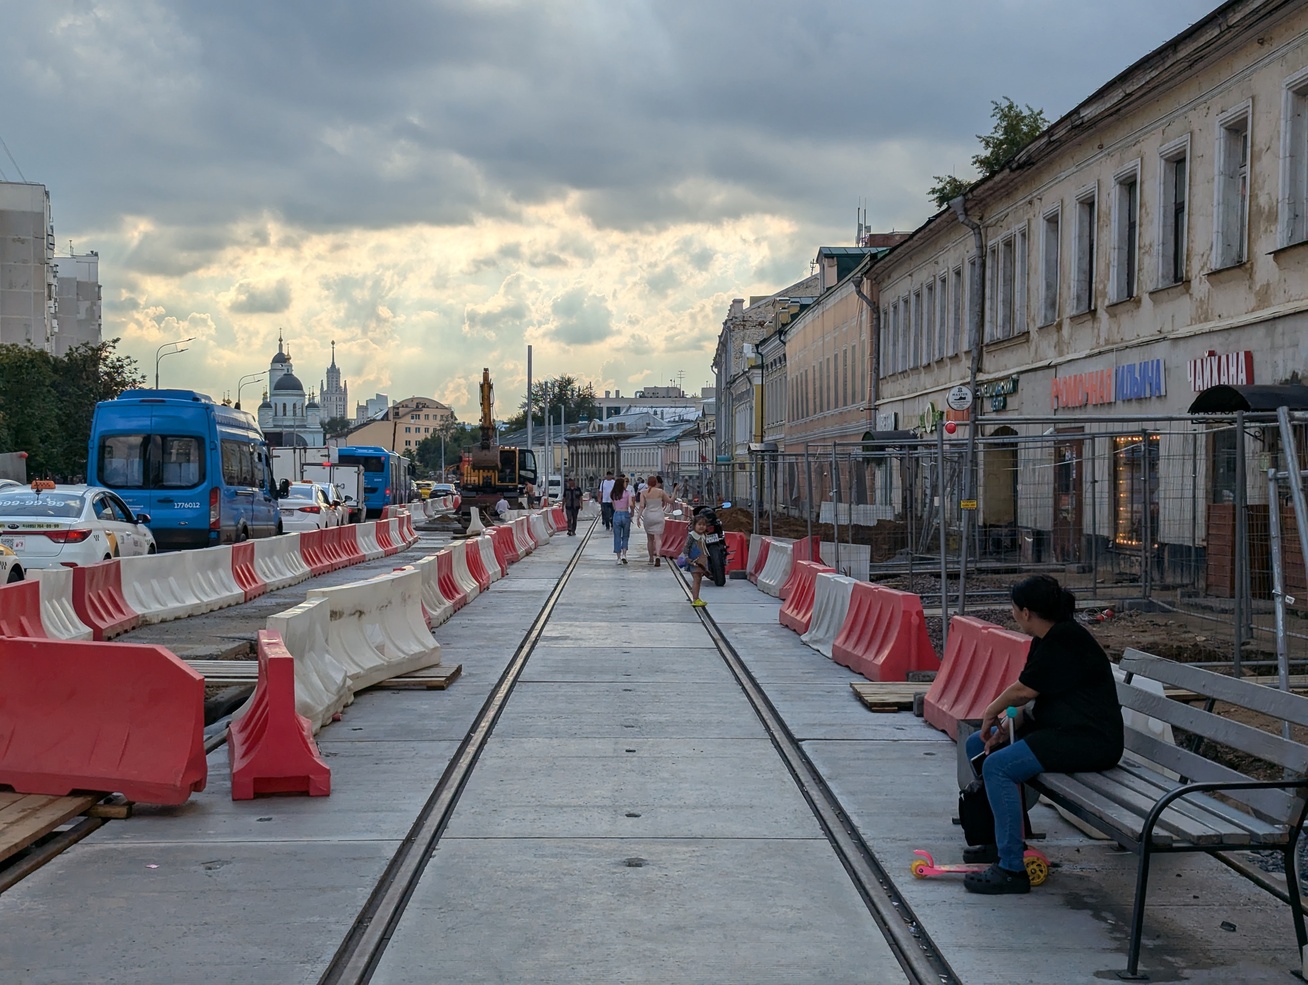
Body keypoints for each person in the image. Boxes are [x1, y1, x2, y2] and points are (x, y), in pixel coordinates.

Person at [962, 575, 1124, 895]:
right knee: (977, 745)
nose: (1012, 614)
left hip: (1090, 739)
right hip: (1063, 730)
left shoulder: (1066, 640)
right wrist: (1002, 731)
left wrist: (991, 710)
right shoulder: (1046, 638)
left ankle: (1011, 870)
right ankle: (1005, 842)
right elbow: (1034, 699)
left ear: (1026, 612)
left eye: (1013, 608)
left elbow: (1023, 692)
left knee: (998, 767)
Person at [637, 474, 674, 567]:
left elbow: (641, 506)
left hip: (648, 516)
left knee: (650, 539)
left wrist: (638, 517)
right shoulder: (660, 492)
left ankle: (650, 558)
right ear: (656, 483)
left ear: (647, 483)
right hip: (659, 516)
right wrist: (675, 491)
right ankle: (658, 555)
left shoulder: (643, 492)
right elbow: (670, 500)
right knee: (658, 538)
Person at [683, 514, 710, 606]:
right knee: (697, 579)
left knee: (698, 579)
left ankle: (696, 596)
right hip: (694, 561)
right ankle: (695, 599)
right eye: (699, 524)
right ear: (694, 525)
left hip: (701, 561)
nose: (701, 526)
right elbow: (686, 548)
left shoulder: (703, 536)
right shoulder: (692, 536)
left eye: (703, 524)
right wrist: (687, 558)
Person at [610, 474, 634, 563]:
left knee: (617, 536)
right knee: (625, 536)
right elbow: (631, 504)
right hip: (625, 513)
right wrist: (632, 512)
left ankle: (618, 558)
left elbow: (613, 506)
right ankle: (624, 554)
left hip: (616, 514)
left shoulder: (613, 494)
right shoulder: (628, 493)